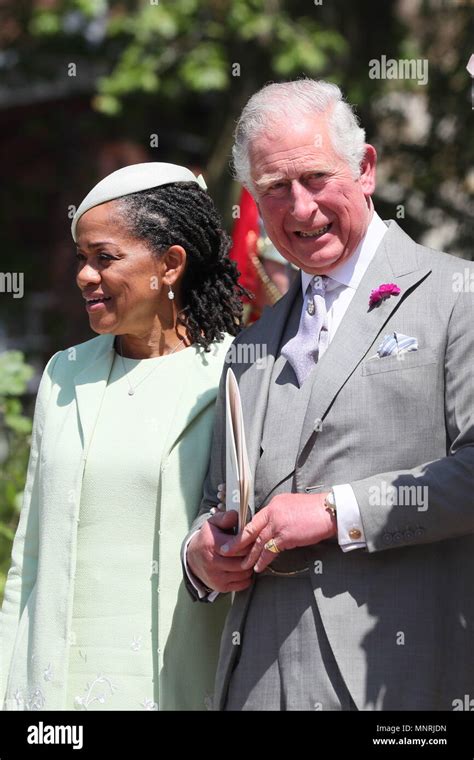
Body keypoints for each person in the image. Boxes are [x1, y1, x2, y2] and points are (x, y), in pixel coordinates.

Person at [184, 80, 474, 711]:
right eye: (274, 189)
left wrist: (335, 511)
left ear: (365, 169)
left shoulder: (458, 298)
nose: (300, 207)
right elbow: (218, 501)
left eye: (316, 178)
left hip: (395, 680)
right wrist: (202, 554)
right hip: (256, 679)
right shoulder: (250, 344)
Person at [1, 162, 246, 711]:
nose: (85, 276)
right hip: (50, 698)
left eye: (104, 258)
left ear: (170, 263)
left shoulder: (237, 373)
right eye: (82, 260)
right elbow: (29, 557)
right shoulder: (65, 373)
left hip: (175, 687)